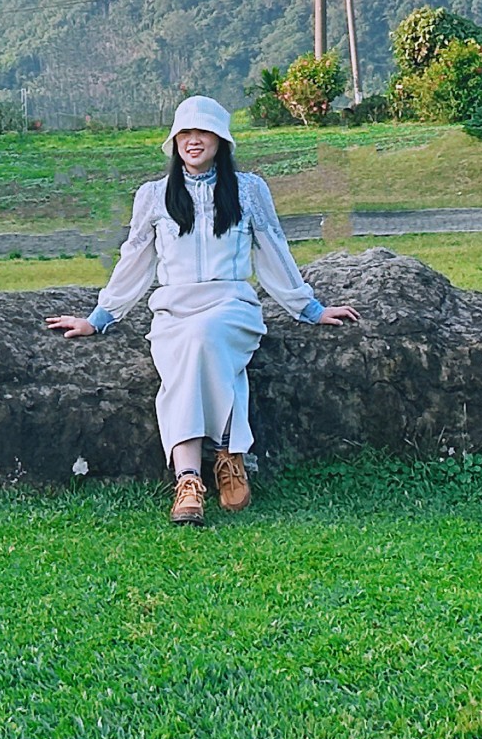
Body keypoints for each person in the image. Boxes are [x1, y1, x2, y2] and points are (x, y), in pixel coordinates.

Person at [46, 94, 359, 525]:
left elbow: (273, 250)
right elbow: (134, 260)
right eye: (185, 133)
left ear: (220, 139)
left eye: (204, 132)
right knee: (192, 350)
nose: (194, 141)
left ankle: (209, 467)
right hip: (173, 309)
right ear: (175, 142)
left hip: (232, 305)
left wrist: (309, 308)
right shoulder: (154, 195)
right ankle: (205, 471)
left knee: (205, 337)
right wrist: (99, 317)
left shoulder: (248, 190)